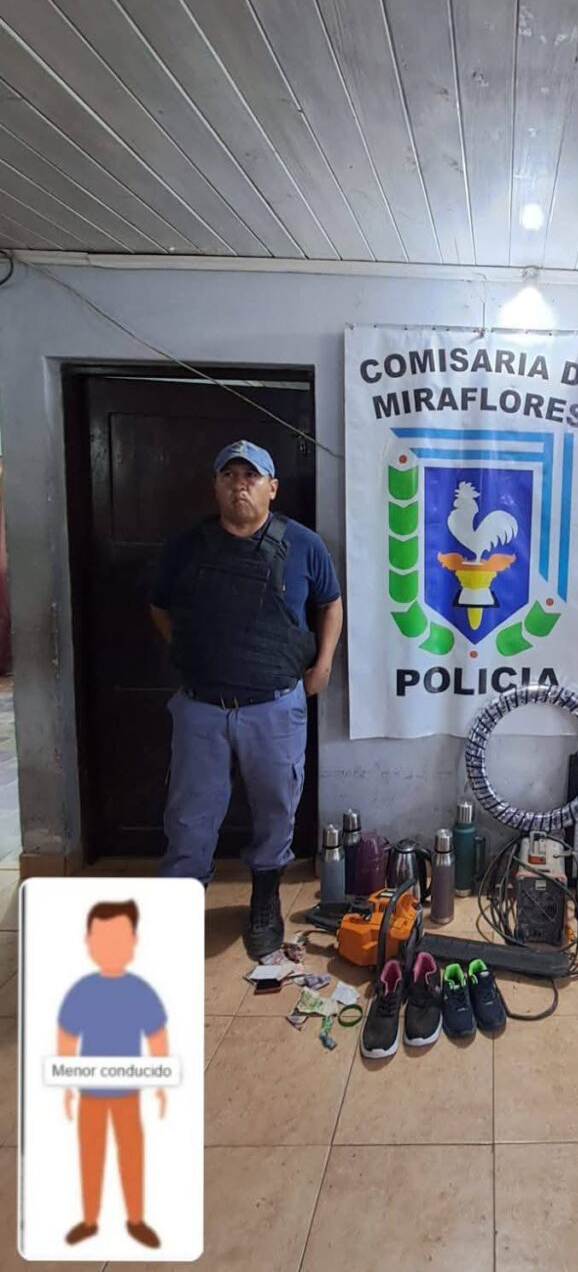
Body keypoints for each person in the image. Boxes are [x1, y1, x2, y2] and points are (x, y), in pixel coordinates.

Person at [150, 440, 343, 957]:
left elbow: (330, 602)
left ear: (272, 488)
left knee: (277, 807)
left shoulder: (302, 544)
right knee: (189, 816)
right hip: (201, 708)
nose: (240, 484)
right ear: (215, 486)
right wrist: (195, 654)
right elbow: (160, 607)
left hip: (275, 707)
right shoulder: (187, 546)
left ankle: (264, 900)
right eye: (229, 475)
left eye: (251, 476)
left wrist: (323, 664)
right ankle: (178, 908)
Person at [58, 900, 166, 1250]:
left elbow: (156, 1034)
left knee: (130, 1152)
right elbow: (66, 1035)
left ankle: (135, 1218)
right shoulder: (82, 989)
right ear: (89, 943)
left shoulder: (139, 989)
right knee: (90, 1154)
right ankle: (89, 1219)